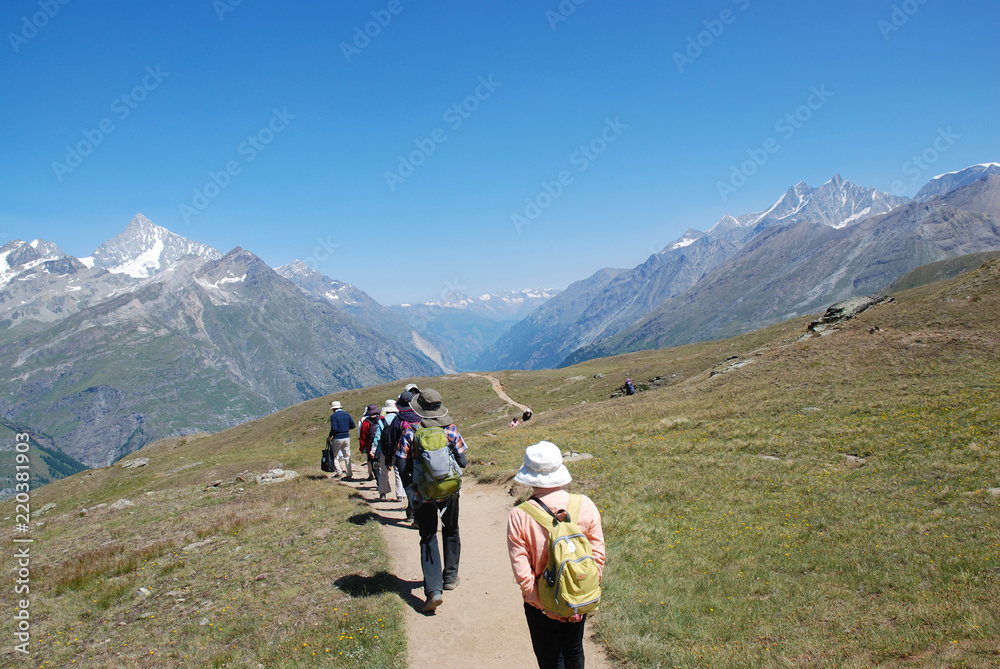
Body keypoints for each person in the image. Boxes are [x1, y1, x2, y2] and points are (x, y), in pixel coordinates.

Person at [507, 441, 606, 669]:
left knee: (550, 659)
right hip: (578, 596)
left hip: (541, 603)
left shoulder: (519, 516)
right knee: (574, 651)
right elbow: (597, 556)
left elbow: (522, 571)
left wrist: (542, 606)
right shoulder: (586, 505)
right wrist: (584, 589)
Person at [397, 388, 468, 614]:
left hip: (421, 494)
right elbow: (463, 461)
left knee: (427, 537)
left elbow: (400, 463)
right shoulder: (451, 430)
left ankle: (433, 590)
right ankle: (450, 577)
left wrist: (411, 484)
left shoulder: (411, 431)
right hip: (449, 492)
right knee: (451, 530)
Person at [385, 390, 422, 523]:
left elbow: (390, 441)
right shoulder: (421, 417)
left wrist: (388, 459)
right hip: (421, 456)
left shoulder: (398, 420)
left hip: (403, 458)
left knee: (408, 486)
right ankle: (418, 513)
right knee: (419, 484)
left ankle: (412, 512)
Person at [372, 399, 400, 503]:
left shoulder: (382, 421)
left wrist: (373, 450)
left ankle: (383, 493)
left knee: (384, 472)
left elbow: (377, 438)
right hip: (397, 450)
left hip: (384, 450)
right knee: (398, 472)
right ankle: (400, 494)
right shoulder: (399, 420)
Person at [326, 400, 356, 480]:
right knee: (347, 456)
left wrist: (329, 436)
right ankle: (349, 473)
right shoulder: (347, 414)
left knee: (334, 456)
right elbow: (353, 425)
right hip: (346, 437)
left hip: (337, 438)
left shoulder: (334, 416)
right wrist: (345, 428)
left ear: (333, 409)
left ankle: (339, 472)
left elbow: (334, 428)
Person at [358, 404, 380, 482]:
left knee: (374, 464)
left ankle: (379, 480)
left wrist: (362, 448)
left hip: (371, 447)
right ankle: (384, 480)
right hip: (382, 446)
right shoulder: (382, 419)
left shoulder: (366, 422)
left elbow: (363, 437)